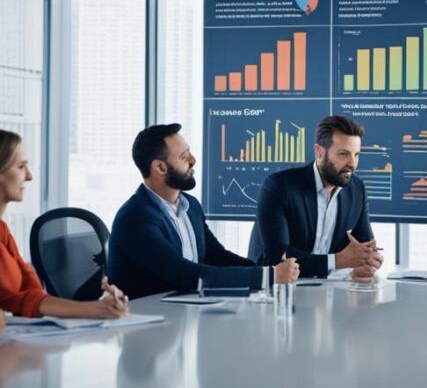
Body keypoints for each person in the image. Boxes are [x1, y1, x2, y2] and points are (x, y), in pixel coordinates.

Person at [107, 124, 299, 299]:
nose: (193, 160)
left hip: (182, 311)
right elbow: (184, 274)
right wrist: (268, 276)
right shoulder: (135, 218)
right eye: (184, 157)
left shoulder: (190, 205)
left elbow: (216, 256)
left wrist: (268, 269)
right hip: (150, 320)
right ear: (160, 167)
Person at [0, 129, 128, 319]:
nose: (29, 176)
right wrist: (95, 309)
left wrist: (100, 305)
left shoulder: (3, 230)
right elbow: (17, 299)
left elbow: (31, 295)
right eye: (20, 166)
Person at [249, 115, 382, 279]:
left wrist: (368, 262)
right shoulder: (280, 186)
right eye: (343, 154)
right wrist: (337, 261)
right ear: (319, 152)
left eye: (356, 155)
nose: (352, 163)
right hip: (273, 288)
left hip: (325, 289)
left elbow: (365, 246)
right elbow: (277, 255)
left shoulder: (357, 189)